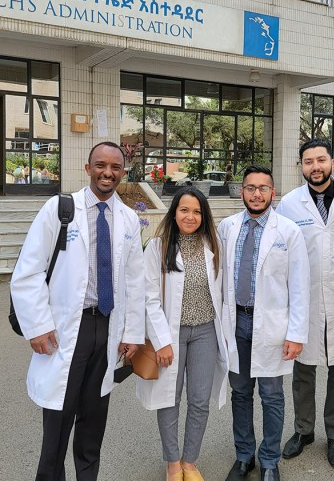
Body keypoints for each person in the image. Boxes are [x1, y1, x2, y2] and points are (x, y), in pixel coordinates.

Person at [10, 141, 146, 481]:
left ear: (123, 173)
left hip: (108, 328)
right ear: (88, 168)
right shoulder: (60, 210)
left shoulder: (129, 219)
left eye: (115, 167)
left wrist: (132, 332)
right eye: (100, 165)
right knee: (58, 419)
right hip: (68, 328)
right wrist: (38, 326)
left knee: (93, 420)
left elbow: (135, 281)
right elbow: (28, 272)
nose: (107, 172)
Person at [275, 139, 334, 469]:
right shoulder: (288, 204)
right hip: (305, 302)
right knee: (303, 370)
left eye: (321, 160)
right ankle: (303, 431)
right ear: (301, 166)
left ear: (332, 163)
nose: (315, 167)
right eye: (308, 161)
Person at [218, 165, 310, 481]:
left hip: (272, 326)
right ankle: (245, 457)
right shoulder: (227, 227)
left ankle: (270, 460)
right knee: (240, 393)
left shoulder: (288, 231)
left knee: (271, 395)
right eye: (250, 188)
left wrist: (296, 333)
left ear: (273, 193)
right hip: (236, 323)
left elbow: (300, 286)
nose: (257, 194)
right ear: (241, 191)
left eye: (263, 188)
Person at [138, 187, 230, 481]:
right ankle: (172, 462)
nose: (190, 216)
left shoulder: (215, 245)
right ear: (174, 212)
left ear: (204, 216)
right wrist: (162, 341)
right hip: (172, 334)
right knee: (169, 399)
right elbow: (149, 297)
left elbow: (223, 292)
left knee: (200, 400)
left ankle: (190, 461)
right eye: (184, 210)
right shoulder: (157, 246)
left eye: (197, 211)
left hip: (206, 331)